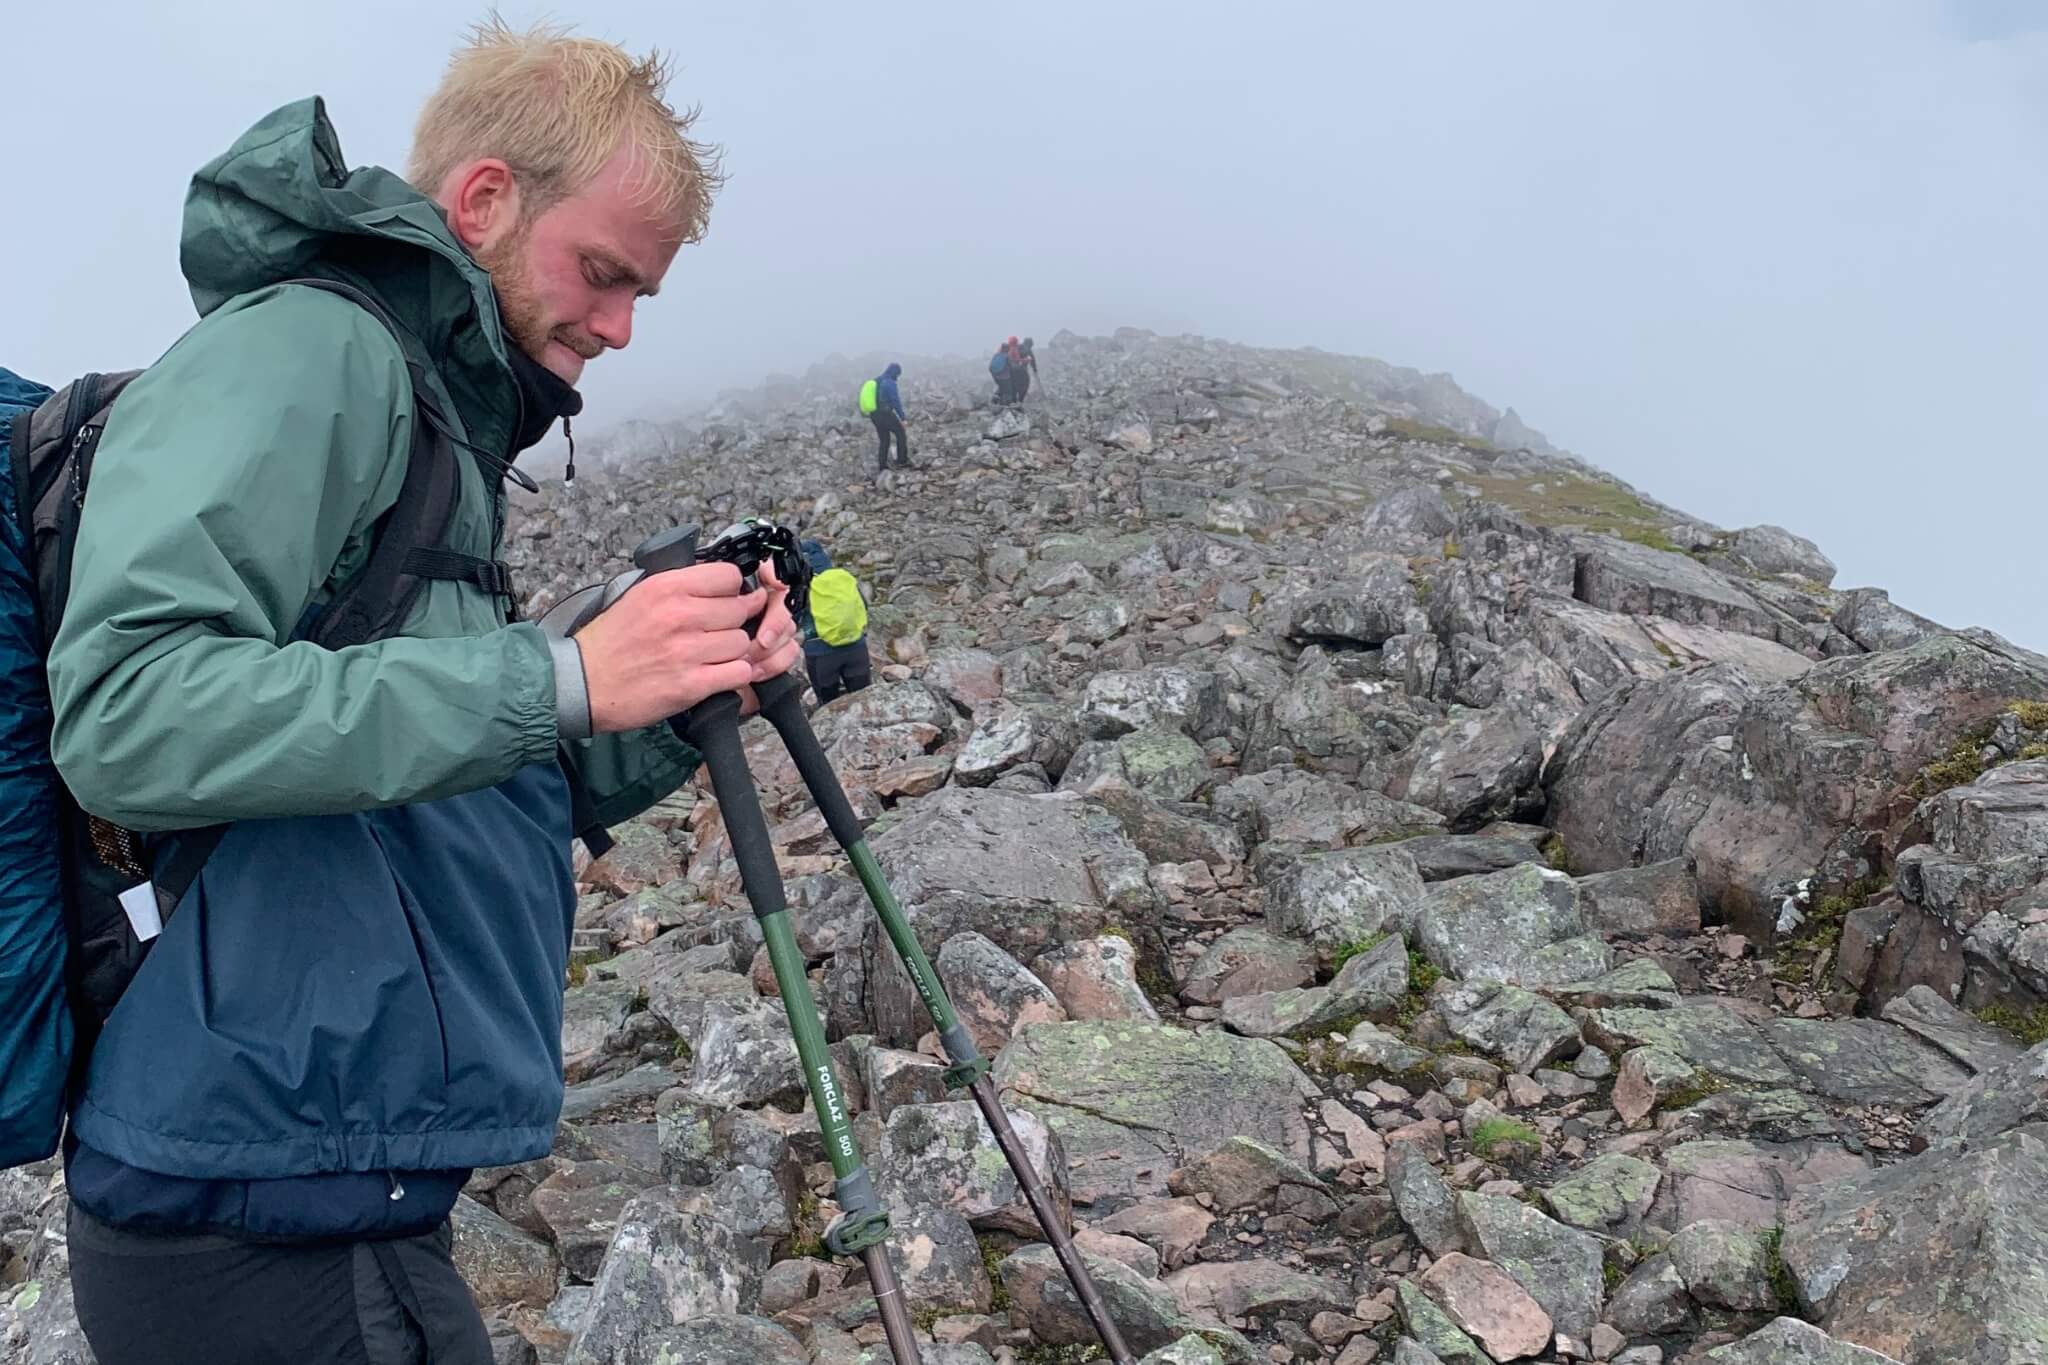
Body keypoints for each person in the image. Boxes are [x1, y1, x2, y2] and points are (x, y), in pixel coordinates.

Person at [41, 19, 798, 1365]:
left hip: (320, 1173)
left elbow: (415, 796)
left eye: (642, 297)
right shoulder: (314, 354)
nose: (619, 329)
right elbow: (130, 710)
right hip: (253, 1206)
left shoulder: (431, 407)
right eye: (603, 275)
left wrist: (680, 695)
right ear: (485, 199)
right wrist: (559, 673)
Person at [795, 539, 873, 703]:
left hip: (821, 654)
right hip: (856, 648)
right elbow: (863, 606)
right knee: (864, 700)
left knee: (828, 706)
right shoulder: (842, 578)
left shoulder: (802, 585)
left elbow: (793, 620)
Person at [869, 361, 911, 469]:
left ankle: (882, 465)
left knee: (884, 439)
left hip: (874, 415)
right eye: (898, 374)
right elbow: (895, 401)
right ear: (895, 373)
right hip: (885, 413)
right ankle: (902, 461)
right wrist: (903, 418)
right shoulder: (889, 383)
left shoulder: (876, 380)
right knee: (900, 433)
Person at [1011, 336, 1039, 403]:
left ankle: (1013, 401)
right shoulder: (1027, 348)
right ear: (1029, 344)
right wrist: (1035, 370)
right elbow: (1032, 360)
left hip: (1012, 370)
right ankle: (1020, 402)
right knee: (1025, 385)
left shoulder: (1016, 346)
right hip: (1022, 370)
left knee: (1014, 386)